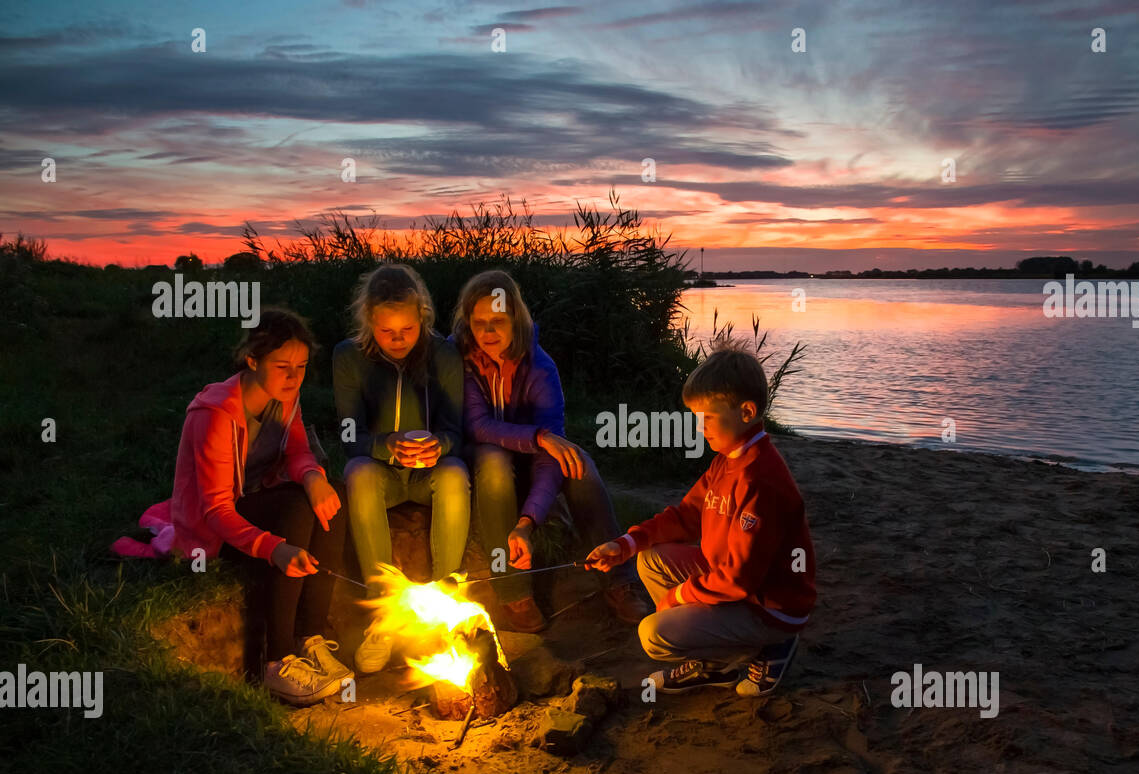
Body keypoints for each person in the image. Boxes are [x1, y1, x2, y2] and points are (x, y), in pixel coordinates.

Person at [110, 308, 353, 706]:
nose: (294, 377)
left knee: (330, 493)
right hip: (219, 528)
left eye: (303, 366)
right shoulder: (215, 413)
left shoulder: (286, 397)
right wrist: (274, 548)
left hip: (259, 501)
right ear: (253, 361)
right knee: (295, 511)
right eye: (283, 366)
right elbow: (217, 511)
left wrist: (313, 477)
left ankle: (311, 638)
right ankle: (276, 662)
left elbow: (297, 452)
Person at [585, 345, 816, 696]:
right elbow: (687, 515)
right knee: (649, 559)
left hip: (771, 607)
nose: (699, 427)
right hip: (738, 586)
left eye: (706, 417)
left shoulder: (760, 482)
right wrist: (625, 544)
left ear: (746, 411)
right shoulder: (726, 461)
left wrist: (679, 595)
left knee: (653, 634)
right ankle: (715, 663)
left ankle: (770, 648)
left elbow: (739, 580)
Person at [451, 269, 651, 632]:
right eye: (479, 323)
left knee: (578, 465)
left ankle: (619, 579)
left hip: (531, 461)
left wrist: (528, 522)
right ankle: (514, 592)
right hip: (482, 458)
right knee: (495, 463)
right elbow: (478, 426)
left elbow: (551, 456)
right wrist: (540, 436)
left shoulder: (540, 367)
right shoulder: (461, 360)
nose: (488, 333)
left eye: (498, 321)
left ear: (517, 320)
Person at [333, 263, 469, 673]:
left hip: (430, 470)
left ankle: (448, 602)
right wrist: (386, 447)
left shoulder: (444, 353)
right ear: (369, 320)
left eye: (407, 330)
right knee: (357, 474)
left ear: (422, 317)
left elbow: (458, 430)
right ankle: (384, 613)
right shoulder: (348, 356)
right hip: (382, 471)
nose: (397, 340)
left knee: (456, 474)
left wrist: (438, 445)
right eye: (387, 331)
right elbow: (347, 434)